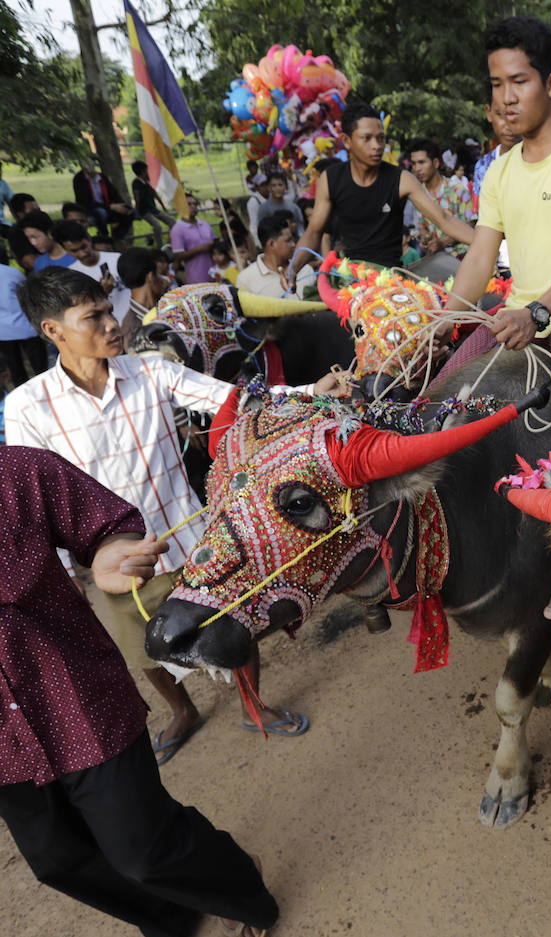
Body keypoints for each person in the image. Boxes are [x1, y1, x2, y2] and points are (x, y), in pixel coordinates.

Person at [4, 269, 336, 767]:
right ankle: (182, 710)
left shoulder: (152, 372)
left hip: (195, 541)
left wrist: (314, 391)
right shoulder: (27, 407)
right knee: (144, 652)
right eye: (92, 316)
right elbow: (37, 499)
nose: (113, 324)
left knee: (234, 627)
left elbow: (236, 400)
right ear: (53, 331)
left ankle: (254, 704)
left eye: (109, 310)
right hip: (120, 567)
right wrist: (67, 574)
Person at [0, 445, 279, 937]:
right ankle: (176, 914)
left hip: (73, 699)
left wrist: (112, 553)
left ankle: (235, 884)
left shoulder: (16, 470)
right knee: (57, 860)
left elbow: (107, 525)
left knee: (145, 851)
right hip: (5, 748)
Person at [438, 15, 551, 623]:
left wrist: (538, 311)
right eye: (495, 84)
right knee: (436, 400)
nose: (505, 97)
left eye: (518, 81)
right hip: (515, 315)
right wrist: (446, 317)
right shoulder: (501, 168)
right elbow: (480, 255)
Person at [290, 101, 476, 277]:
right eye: (367, 138)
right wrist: (293, 269)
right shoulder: (330, 179)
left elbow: (445, 220)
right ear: (346, 140)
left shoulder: (402, 179)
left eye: (381, 138)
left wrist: (488, 244)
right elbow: (313, 233)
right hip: (351, 280)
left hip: (391, 279)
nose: (377, 146)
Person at [53, 219, 131, 330]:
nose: (82, 253)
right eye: (75, 250)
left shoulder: (118, 259)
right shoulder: (72, 276)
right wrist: (102, 294)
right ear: (65, 250)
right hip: (109, 329)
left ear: (89, 239)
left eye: (84, 247)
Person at [407, 137, 476, 255]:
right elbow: (422, 226)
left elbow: (471, 224)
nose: (417, 168)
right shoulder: (418, 194)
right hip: (435, 259)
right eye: (414, 164)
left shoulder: (458, 190)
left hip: (463, 257)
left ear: (436, 163)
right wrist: (426, 238)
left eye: (422, 162)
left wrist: (443, 242)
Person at [238, 210, 315, 299]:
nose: (294, 244)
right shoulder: (246, 279)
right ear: (271, 244)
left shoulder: (306, 270)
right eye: (288, 240)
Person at [0, 245, 45, 389]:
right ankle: (46, 390)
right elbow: (27, 291)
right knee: (40, 367)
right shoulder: (12, 272)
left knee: (16, 368)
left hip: (3, 331)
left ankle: (24, 395)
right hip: (25, 326)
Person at [116, 246, 171, 343]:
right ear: (151, 277)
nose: (163, 280)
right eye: (158, 274)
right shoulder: (136, 328)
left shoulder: (130, 322)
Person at [473, 103, 523, 207]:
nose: (509, 125)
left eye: (516, 115)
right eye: (500, 114)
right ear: (489, 113)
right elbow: (478, 213)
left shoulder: (542, 161)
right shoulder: (483, 166)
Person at [72, 163, 135, 241]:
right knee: (101, 213)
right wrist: (110, 206)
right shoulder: (79, 179)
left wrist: (120, 204)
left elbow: (113, 192)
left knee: (129, 211)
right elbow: (84, 201)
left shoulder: (101, 177)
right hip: (91, 208)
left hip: (107, 206)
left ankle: (117, 238)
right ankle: (104, 236)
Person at [130, 159, 176, 248]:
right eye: (146, 170)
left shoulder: (146, 183)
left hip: (153, 209)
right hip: (144, 211)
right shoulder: (136, 183)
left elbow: (155, 195)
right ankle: (160, 247)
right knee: (157, 226)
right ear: (142, 171)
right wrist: (137, 211)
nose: (148, 172)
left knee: (172, 222)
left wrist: (163, 207)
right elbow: (137, 197)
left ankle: (170, 242)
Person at [170, 195, 216, 285]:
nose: (193, 207)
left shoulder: (205, 224)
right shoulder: (177, 229)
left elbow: (215, 244)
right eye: (189, 204)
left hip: (214, 271)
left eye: (195, 204)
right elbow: (179, 255)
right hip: (196, 275)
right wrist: (200, 249)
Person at [5, 193, 39, 270]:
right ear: (20, 214)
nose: (39, 213)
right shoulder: (17, 234)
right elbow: (31, 262)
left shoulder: (43, 224)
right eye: (34, 211)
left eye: (39, 209)